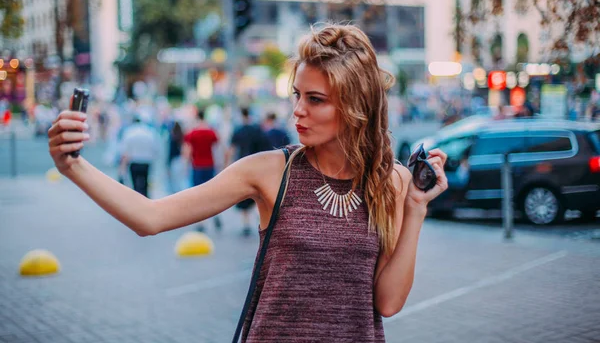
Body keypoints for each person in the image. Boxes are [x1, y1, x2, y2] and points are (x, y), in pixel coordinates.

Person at [47, 24, 448, 342]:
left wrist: (415, 208)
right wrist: (73, 167)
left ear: (355, 107)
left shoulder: (391, 181)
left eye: (315, 99)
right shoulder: (269, 171)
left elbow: (389, 302)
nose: (297, 111)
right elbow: (150, 217)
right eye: (297, 95)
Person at [225, 107, 272, 236]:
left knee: (245, 195)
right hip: (257, 166)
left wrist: (227, 165)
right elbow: (266, 147)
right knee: (258, 194)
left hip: (242, 165)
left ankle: (246, 224)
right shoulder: (257, 129)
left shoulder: (238, 130)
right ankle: (259, 219)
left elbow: (232, 149)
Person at [182, 108, 222, 232]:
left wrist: (185, 165)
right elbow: (218, 148)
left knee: (198, 194)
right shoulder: (211, 132)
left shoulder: (192, 133)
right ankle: (215, 214)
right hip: (210, 165)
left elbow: (188, 151)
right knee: (212, 193)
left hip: (197, 166)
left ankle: (201, 222)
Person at [119, 113, 161, 197]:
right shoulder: (150, 132)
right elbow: (156, 148)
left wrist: (122, 167)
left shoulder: (129, 132)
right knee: (145, 183)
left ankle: (136, 199)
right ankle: (145, 198)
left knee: (135, 183)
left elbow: (125, 150)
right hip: (146, 161)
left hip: (134, 161)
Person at [166, 121, 185, 194]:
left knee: (174, 180)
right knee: (180, 180)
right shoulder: (182, 136)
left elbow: (170, 151)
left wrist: (167, 163)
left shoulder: (172, 137)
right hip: (180, 159)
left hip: (174, 160)